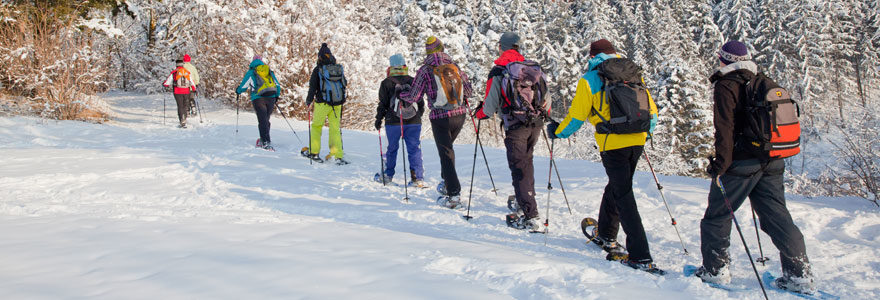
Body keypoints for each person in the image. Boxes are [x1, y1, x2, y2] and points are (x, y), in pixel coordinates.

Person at [697, 40, 815, 294]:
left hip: (742, 162)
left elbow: (725, 130)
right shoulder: (763, 81)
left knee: (717, 216)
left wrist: (720, 165)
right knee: (778, 217)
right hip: (773, 159)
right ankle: (799, 275)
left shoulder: (726, 85)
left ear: (724, 60)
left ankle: (715, 271)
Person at [548, 39, 661, 273]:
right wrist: (644, 133)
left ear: (592, 57)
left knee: (623, 194)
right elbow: (652, 111)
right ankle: (607, 235)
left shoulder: (590, 79)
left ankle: (641, 256)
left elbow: (577, 117)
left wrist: (558, 132)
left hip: (612, 143)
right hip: (638, 139)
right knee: (618, 186)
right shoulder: (632, 74)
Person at [474, 32, 547, 231]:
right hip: (536, 123)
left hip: (515, 125)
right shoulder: (532, 68)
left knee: (519, 168)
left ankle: (531, 216)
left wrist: (478, 114)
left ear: (501, 47)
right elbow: (546, 97)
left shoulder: (499, 70)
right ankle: (524, 202)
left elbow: (489, 108)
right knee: (526, 163)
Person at [400, 36, 474, 208]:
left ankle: (453, 195)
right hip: (459, 116)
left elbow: (413, 96)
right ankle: (447, 183)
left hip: (440, 118)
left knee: (446, 154)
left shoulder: (425, 70)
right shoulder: (455, 67)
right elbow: (469, 92)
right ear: (442, 48)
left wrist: (400, 95)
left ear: (428, 52)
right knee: (448, 151)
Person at [374, 53, 427, 187]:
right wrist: (417, 115)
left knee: (392, 148)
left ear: (391, 66)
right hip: (414, 121)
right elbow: (421, 102)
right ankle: (417, 178)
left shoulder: (386, 82)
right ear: (404, 65)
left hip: (393, 121)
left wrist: (379, 119)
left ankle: (387, 175)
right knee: (414, 149)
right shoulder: (413, 80)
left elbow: (383, 104)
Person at [305, 43, 348, 165]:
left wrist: (309, 101)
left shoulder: (318, 69)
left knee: (317, 126)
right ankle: (336, 155)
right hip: (337, 103)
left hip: (322, 103)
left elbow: (312, 87)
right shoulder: (337, 68)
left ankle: (314, 152)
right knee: (334, 129)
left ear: (320, 57)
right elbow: (345, 83)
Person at [235, 55, 281, 150]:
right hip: (271, 97)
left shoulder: (252, 72)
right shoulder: (268, 71)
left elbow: (244, 86)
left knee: (262, 120)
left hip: (258, 98)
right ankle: (264, 139)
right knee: (265, 119)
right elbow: (277, 84)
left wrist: (238, 91)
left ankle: (265, 142)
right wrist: (276, 96)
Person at [162, 59, 196, 128]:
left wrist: (164, 84)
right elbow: (192, 82)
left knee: (180, 106)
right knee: (185, 105)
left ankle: (181, 120)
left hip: (177, 91)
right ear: (182, 64)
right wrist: (194, 89)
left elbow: (167, 83)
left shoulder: (174, 72)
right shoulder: (186, 72)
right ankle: (185, 118)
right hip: (186, 91)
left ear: (176, 65)